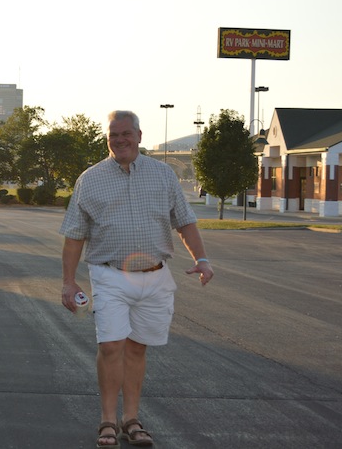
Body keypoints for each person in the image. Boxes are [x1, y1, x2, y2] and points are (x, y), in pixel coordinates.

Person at [60, 110, 214, 447]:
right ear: (107, 139)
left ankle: (131, 418)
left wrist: (201, 259)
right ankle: (107, 421)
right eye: (113, 135)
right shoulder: (90, 179)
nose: (120, 140)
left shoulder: (163, 175)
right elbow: (74, 236)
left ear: (140, 136)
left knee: (137, 349)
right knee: (111, 345)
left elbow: (185, 221)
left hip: (155, 277)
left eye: (126, 134)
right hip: (109, 274)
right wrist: (69, 282)